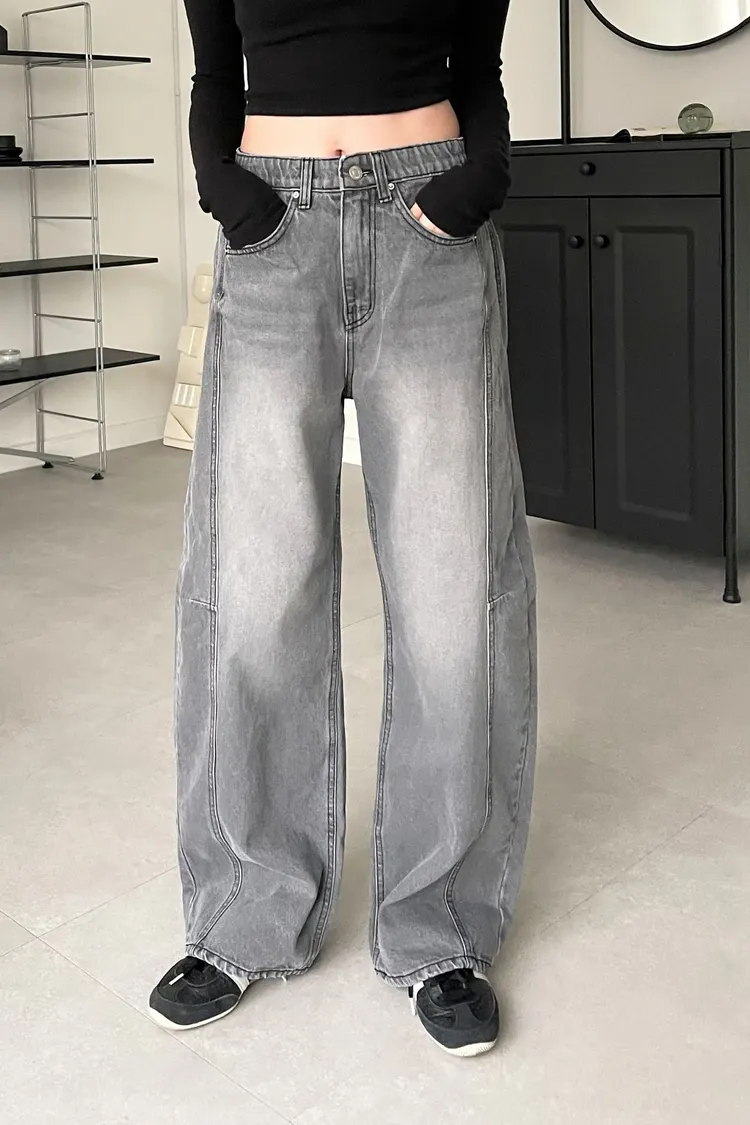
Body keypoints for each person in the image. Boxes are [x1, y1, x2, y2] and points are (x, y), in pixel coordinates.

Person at [148, 0, 537, 1058]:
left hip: (431, 226)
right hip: (272, 225)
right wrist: (226, 191)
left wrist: (477, 184)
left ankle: (440, 923)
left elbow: (481, 66)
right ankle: (246, 908)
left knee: (456, 593)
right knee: (254, 588)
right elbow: (215, 72)